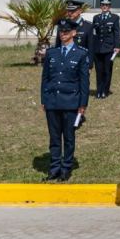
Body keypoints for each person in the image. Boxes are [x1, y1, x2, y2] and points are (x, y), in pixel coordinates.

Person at [40, 19, 91, 183]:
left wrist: (83, 104)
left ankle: (66, 168)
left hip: (71, 101)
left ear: (74, 33)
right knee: (54, 137)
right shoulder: (51, 53)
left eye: (66, 31)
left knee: (68, 137)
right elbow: (45, 78)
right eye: (61, 31)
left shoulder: (81, 53)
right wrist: (44, 99)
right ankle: (54, 168)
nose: (63, 34)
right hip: (53, 101)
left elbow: (84, 82)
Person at [90, 0, 120, 99]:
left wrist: (117, 46)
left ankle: (105, 91)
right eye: (103, 5)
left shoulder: (115, 18)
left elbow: (116, 33)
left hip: (109, 48)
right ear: (100, 6)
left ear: (109, 6)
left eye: (106, 5)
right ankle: (98, 91)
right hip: (98, 49)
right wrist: (92, 46)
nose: (104, 7)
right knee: (98, 70)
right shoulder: (96, 18)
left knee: (107, 70)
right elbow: (94, 34)